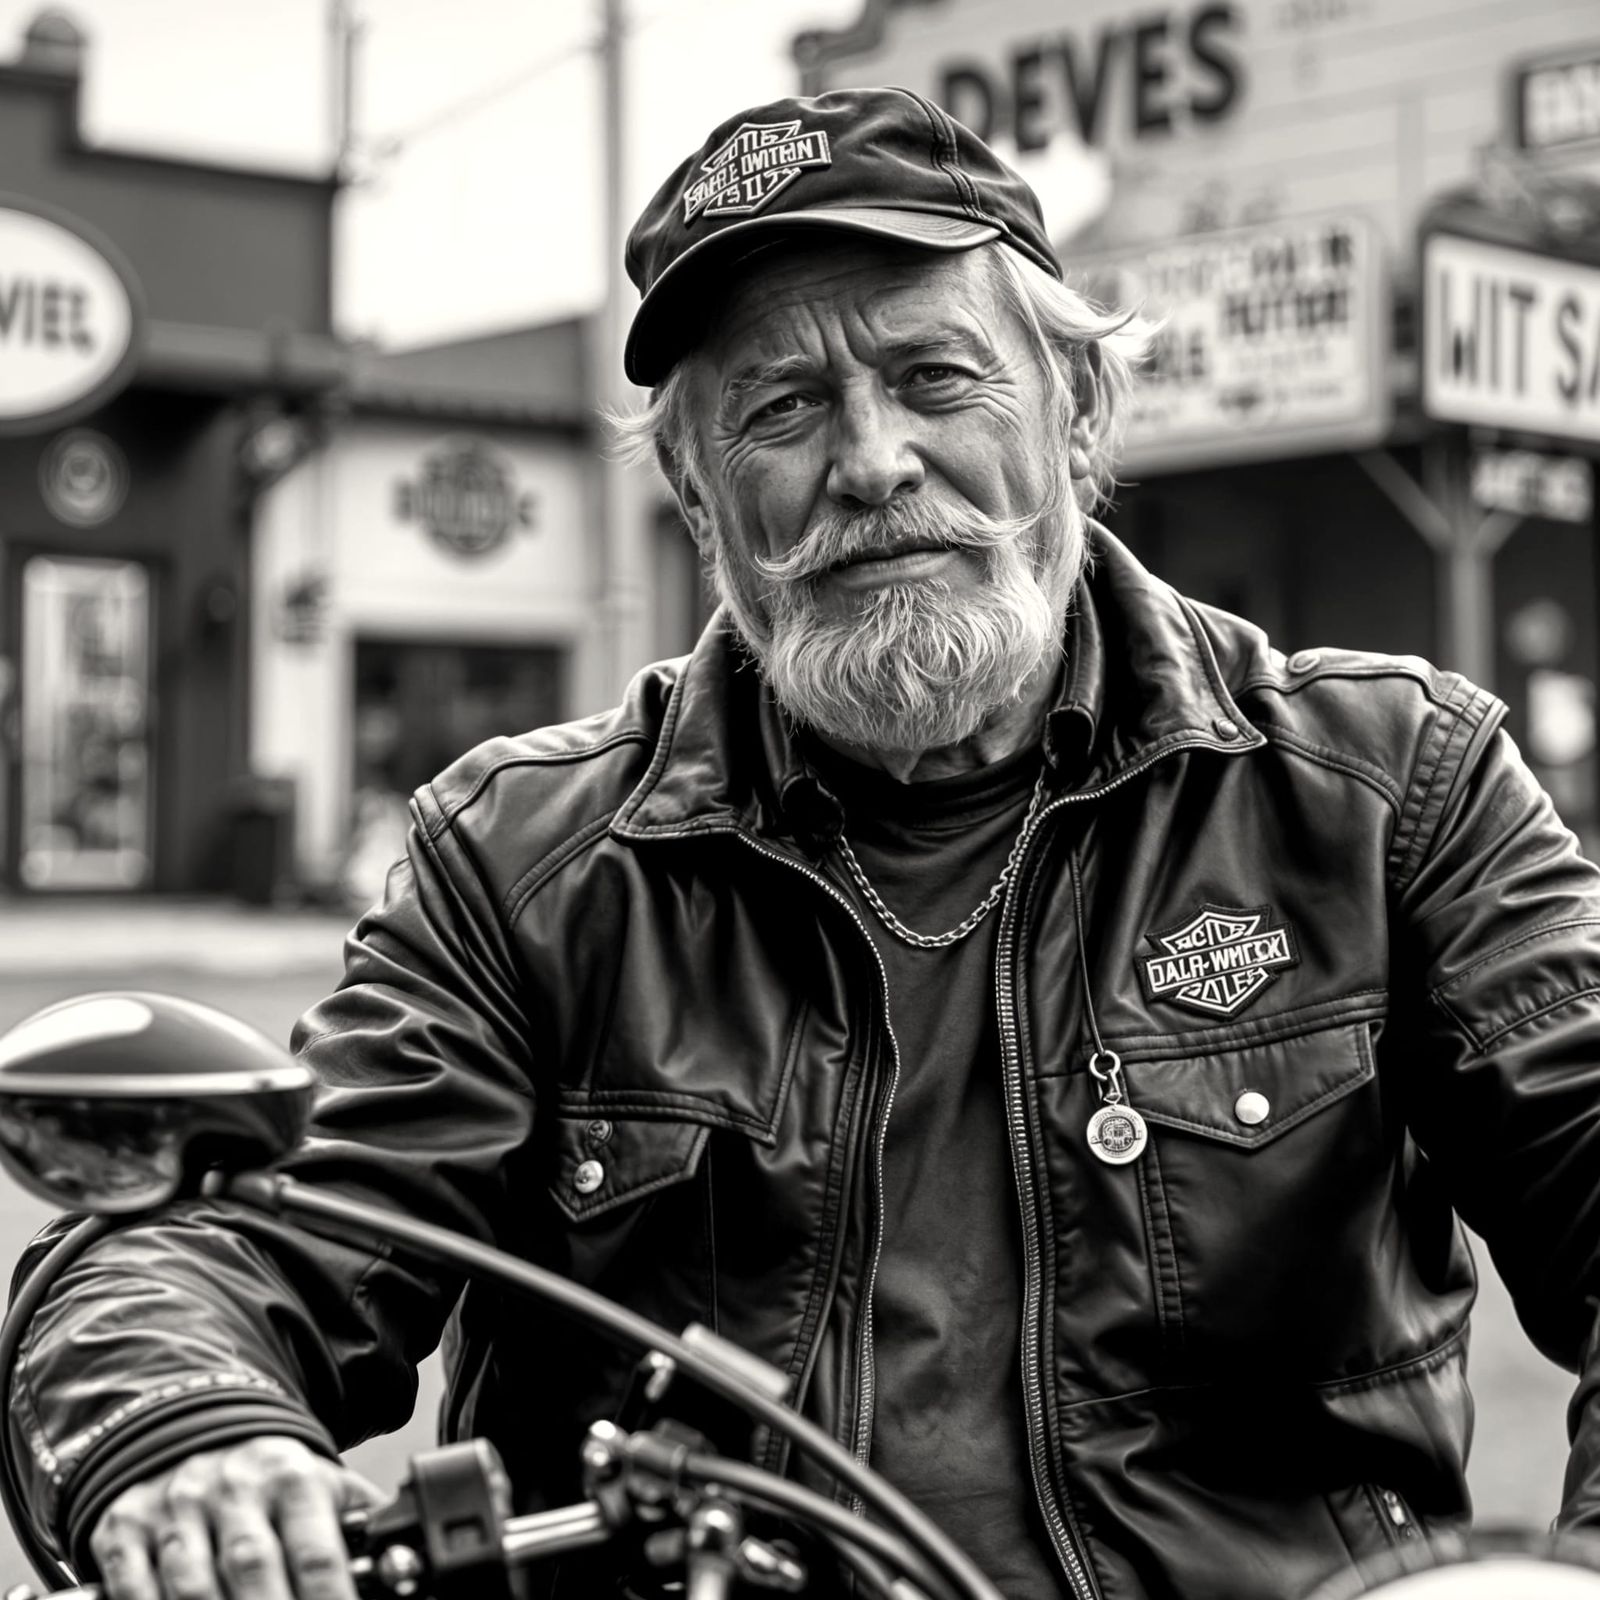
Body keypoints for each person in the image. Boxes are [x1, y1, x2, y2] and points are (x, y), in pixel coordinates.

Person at [10, 85, 1600, 1600]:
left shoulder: (1387, 784)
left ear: (1081, 411)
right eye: (781, 409)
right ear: (702, 502)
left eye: (934, 377)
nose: (871, 462)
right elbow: (248, 1239)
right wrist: (187, 1429)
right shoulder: (525, 861)